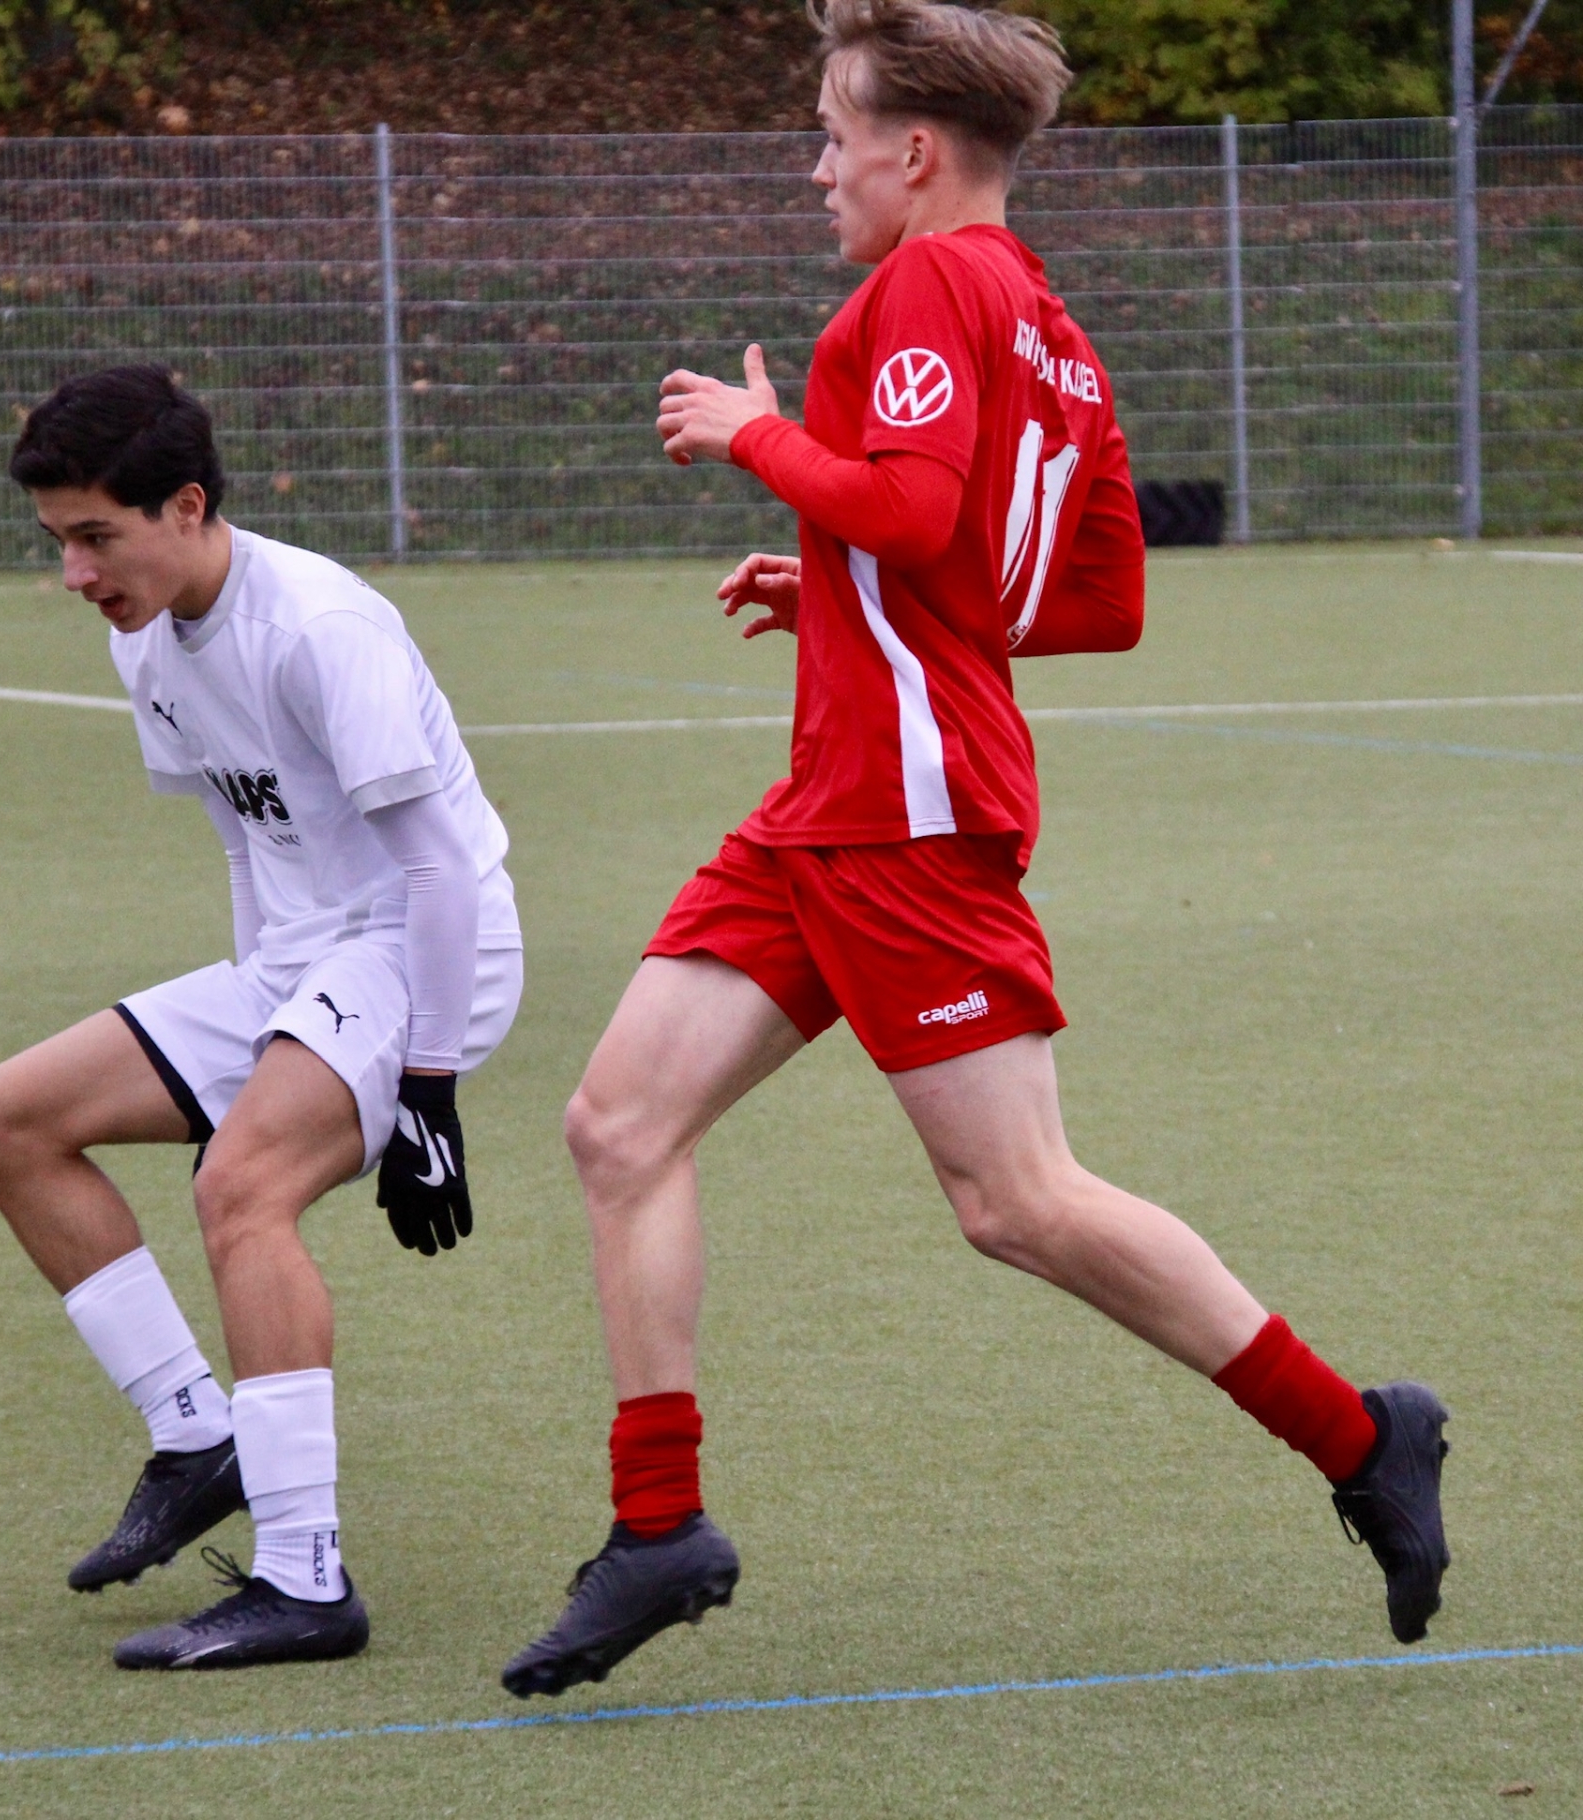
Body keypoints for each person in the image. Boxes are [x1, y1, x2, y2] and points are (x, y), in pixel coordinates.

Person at [501, 0, 1448, 1700]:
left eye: (833, 135)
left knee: (1017, 1202)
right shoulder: (1056, 330)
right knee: (619, 1125)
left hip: (909, 813)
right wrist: (840, 590)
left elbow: (924, 511)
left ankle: (1362, 1434)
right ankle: (659, 1528)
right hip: (837, 798)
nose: (819, 169)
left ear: (917, 151)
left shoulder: (930, 284)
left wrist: (754, 437)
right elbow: (1095, 596)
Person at [0, 365, 523, 1670]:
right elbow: (242, 834)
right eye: (58, 543)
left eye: (96, 538)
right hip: (300, 959)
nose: (76, 575)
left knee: (241, 1188)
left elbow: (440, 872)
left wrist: (429, 1088)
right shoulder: (145, 635)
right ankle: (195, 1433)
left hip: (425, 946)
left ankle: (305, 1580)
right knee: (8, 1121)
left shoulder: (320, 627)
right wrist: (260, 1013)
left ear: (187, 506)